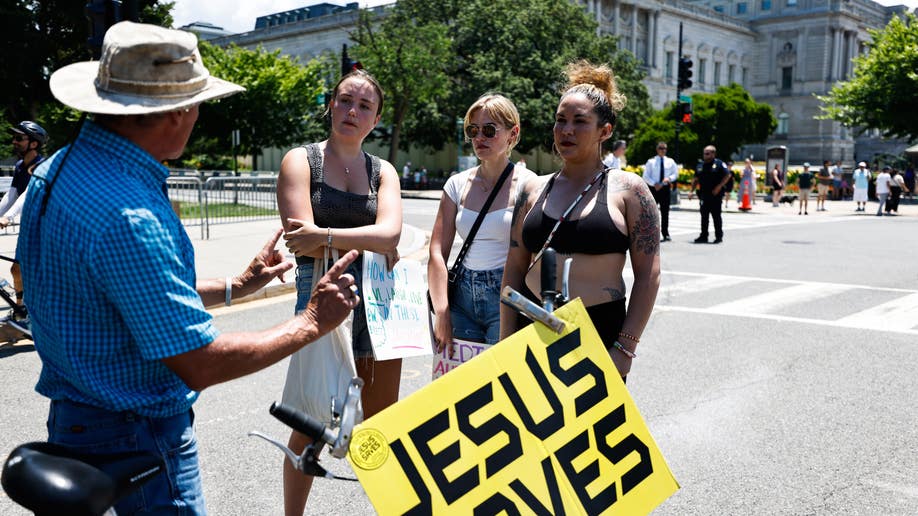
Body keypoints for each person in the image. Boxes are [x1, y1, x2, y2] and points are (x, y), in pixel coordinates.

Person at [18, 22, 361, 514]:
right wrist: (311, 322)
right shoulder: (129, 213)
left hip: (75, 417)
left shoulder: (56, 170)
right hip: (136, 435)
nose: (200, 114)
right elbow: (199, 360)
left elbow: (126, 295)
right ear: (176, 112)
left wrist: (235, 287)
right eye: (198, 102)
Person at [276, 68, 403, 516]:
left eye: (364, 105)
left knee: (381, 421)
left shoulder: (383, 170)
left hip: (380, 301)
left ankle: (389, 508)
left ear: (376, 118)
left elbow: (390, 236)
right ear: (331, 104)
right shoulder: (300, 160)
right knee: (311, 418)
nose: (352, 111)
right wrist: (364, 237)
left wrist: (325, 234)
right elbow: (299, 238)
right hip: (321, 297)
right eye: (345, 100)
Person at [500, 60, 661, 382]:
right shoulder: (532, 189)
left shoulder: (630, 190)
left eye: (579, 121)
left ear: (606, 131)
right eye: (560, 121)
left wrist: (625, 348)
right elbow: (515, 267)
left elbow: (648, 276)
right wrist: (505, 340)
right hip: (532, 327)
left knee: (596, 434)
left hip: (599, 332)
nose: (567, 130)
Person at [428, 93, 534, 350]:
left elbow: (534, 257)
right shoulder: (456, 184)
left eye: (489, 130)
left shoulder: (529, 185)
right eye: (472, 130)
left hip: (506, 298)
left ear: (513, 133)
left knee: (499, 385)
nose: (479, 138)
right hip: (461, 299)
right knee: (462, 387)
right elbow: (437, 252)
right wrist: (442, 311)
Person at [0, 120, 48, 334]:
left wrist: (7, 219)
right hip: (29, 228)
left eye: (19, 138)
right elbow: (11, 197)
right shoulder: (20, 167)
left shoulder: (41, 167)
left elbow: (27, 196)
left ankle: (30, 315)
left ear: (34, 144)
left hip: (45, 229)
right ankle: (21, 311)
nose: (15, 141)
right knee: (16, 270)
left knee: (27, 272)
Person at [689, 145, 731, 243]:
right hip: (704, 194)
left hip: (715, 195)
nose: (705, 155)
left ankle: (718, 236)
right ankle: (703, 236)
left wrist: (719, 186)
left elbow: (727, 175)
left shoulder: (719, 164)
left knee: (716, 216)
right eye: (704, 153)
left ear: (713, 154)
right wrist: (691, 191)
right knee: (704, 217)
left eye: (707, 153)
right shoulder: (700, 165)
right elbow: (696, 179)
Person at [642, 141, 678, 242]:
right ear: (657, 149)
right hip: (654, 189)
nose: (663, 150)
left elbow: (675, 174)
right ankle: (650, 233)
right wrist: (654, 184)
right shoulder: (651, 161)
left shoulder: (670, 161)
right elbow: (645, 176)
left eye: (664, 148)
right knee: (651, 212)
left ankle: (665, 233)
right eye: (661, 148)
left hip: (665, 189)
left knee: (665, 212)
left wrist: (669, 178)